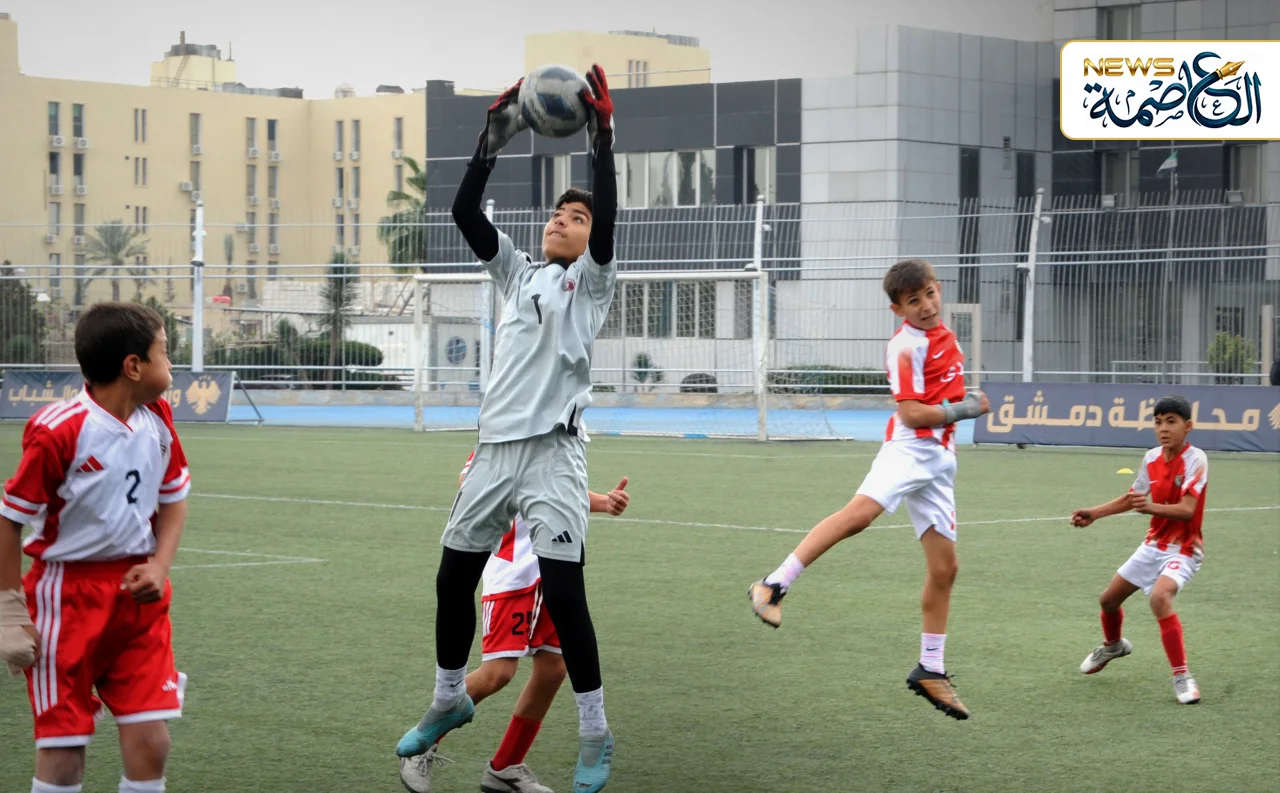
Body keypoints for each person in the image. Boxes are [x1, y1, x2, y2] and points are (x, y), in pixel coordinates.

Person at [395, 64, 619, 793]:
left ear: (592, 240)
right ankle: (447, 696)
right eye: (557, 211)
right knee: (451, 575)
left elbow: (607, 218)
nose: (561, 219)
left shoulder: (591, 283)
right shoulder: (517, 273)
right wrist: (489, 142)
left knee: (566, 592)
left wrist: (602, 141)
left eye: (576, 217)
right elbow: (465, 213)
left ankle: (595, 730)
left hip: (554, 455)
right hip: (493, 451)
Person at [747, 258, 989, 720]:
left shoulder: (948, 337)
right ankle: (773, 585)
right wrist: (968, 408)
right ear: (898, 309)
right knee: (859, 515)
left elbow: (945, 398)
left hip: (940, 461)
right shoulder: (904, 347)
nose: (925, 305)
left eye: (930, 294)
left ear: (939, 289)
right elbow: (912, 414)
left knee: (945, 569)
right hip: (909, 450)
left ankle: (931, 668)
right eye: (913, 301)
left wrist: (961, 405)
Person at [0, 302, 192, 793]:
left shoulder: (158, 416)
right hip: (65, 599)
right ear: (134, 366)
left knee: (152, 742)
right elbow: (9, 520)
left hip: (138, 598)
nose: (172, 362)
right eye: (164, 351)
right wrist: (8, 612)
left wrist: (159, 565)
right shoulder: (59, 429)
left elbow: (174, 498)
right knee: (64, 754)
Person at [400, 455, 630, 793]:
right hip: (513, 572)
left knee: (553, 669)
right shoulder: (505, 435)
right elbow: (469, 482)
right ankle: (423, 743)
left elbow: (563, 488)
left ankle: (505, 767)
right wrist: (527, 491)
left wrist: (603, 502)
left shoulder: (561, 440)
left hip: (554, 571)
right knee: (498, 672)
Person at [1071, 394, 1207, 705]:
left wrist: (1150, 507)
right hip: (1153, 545)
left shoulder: (1196, 460)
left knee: (1160, 598)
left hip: (1184, 549)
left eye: (1171, 422)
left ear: (1187, 426)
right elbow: (1133, 497)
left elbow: (1187, 510)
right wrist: (1094, 513)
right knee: (1108, 600)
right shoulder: (1151, 458)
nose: (1163, 429)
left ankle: (1182, 676)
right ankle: (1114, 645)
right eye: (1158, 422)